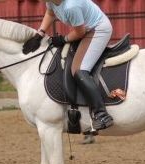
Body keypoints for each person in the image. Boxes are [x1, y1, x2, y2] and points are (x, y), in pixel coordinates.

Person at [22, 0, 113, 131]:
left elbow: (80, 32)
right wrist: (39, 34)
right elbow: (50, 13)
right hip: (86, 30)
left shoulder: (71, 6)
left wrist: (63, 39)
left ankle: (102, 114)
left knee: (79, 69)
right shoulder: (51, 2)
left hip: (98, 29)